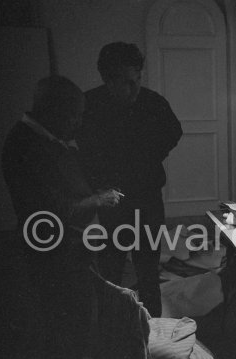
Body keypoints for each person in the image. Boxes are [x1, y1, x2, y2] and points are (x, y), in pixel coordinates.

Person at [1, 75, 121, 359]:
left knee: (73, 326)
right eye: (74, 116)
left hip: (65, 249)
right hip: (52, 253)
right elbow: (53, 210)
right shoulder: (27, 145)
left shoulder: (46, 138)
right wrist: (98, 200)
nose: (77, 123)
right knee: (63, 330)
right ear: (53, 111)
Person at [77, 42, 183, 317]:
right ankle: (112, 333)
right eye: (126, 82)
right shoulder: (88, 106)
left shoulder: (152, 102)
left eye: (137, 79)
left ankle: (154, 331)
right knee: (111, 270)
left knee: (148, 270)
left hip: (147, 197)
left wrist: (149, 157)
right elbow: (77, 148)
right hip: (110, 201)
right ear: (107, 80)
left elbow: (174, 132)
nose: (135, 88)